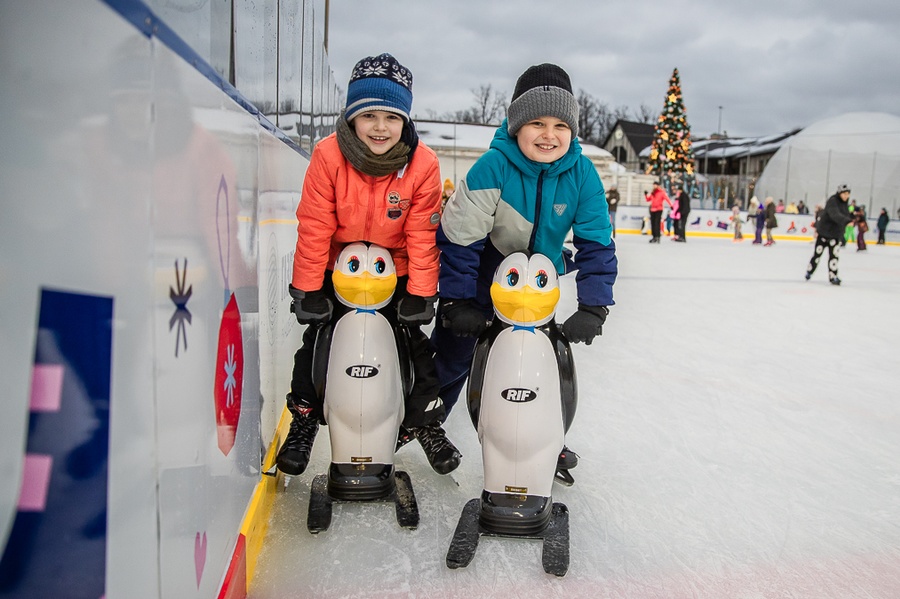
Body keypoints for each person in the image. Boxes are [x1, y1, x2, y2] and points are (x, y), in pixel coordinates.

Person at [278, 53, 461, 478]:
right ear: (352, 117)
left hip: (394, 270)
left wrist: (420, 292)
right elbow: (315, 224)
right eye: (369, 115)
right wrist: (308, 288)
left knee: (412, 346)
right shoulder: (328, 156)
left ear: (406, 121)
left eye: (392, 117)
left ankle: (425, 421)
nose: (381, 127)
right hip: (337, 268)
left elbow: (421, 234)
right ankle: (304, 419)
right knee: (318, 341)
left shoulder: (423, 165)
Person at [434, 63, 618, 482]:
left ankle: (544, 438)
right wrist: (458, 300)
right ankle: (423, 420)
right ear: (517, 125)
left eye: (559, 124)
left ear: (573, 130)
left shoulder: (582, 174)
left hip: (538, 287)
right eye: (536, 122)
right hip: (484, 279)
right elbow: (460, 239)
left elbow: (597, 243)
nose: (548, 134)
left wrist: (594, 307)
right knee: (453, 357)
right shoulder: (492, 167)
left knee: (545, 364)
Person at [805, 184, 853, 285]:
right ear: (840, 193)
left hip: (835, 235)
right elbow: (834, 214)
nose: (846, 196)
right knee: (817, 254)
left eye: (848, 194)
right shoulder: (833, 201)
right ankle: (810, 271)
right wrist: (846, 221)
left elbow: (845, 216)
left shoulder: (845, 205)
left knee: (834, 257)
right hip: (824, 233)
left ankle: (833, 276)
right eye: (844, 194)